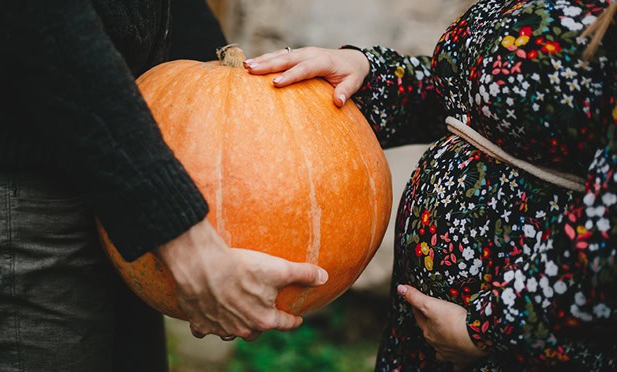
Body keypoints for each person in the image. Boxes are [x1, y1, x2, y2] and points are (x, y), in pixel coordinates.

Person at [245, 0, 616, 370]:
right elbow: (491, 104)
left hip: (521, 337)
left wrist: (494, 327)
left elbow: (608, 228)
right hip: (428, 332)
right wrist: (370, 73)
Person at [0, 1, 328, 371]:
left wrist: (216, 83)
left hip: (125, 178)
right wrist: (190, 247)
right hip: (28, 201)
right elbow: (40, 21)